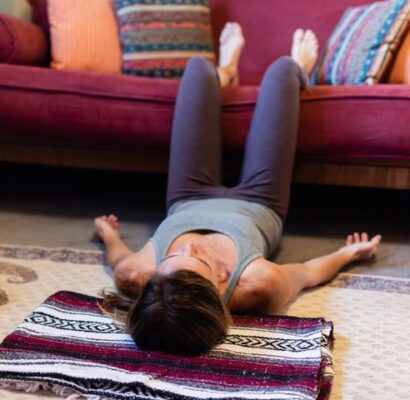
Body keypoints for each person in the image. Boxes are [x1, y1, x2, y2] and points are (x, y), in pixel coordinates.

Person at [94, 24, 382, 355]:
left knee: (199, 68)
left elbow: (120, 258)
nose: (189, 248)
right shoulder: (259, 284)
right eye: (199, 260)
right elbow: (304, 273)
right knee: (282, 70)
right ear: (219, 284)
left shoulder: (136, 273)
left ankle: (226, 71)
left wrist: (108, 236)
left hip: (190, 194)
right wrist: (347, 254)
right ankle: (300, 70)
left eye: (172, 256)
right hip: (260, 200)